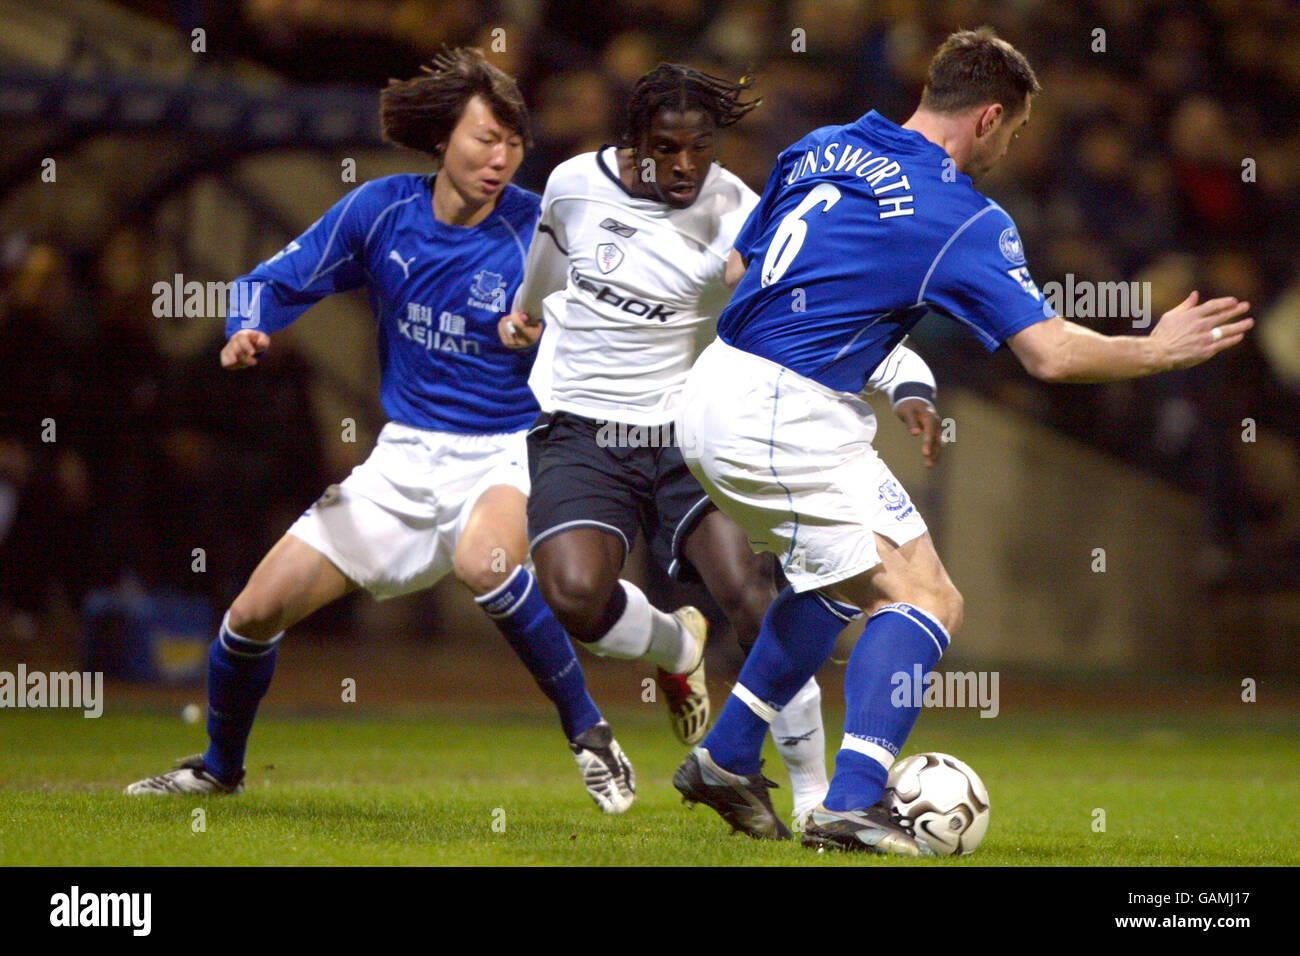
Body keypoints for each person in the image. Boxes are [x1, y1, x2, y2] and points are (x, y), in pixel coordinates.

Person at [670, 27, 1253, 852]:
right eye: (1013, 132)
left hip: (715, 387)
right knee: (925, 598)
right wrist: (1153, 348)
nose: (1010, 150)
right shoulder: (963, 214)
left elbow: (744, 272)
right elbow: (1048, 353)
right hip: (781, 411)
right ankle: (853, 800)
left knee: (836, 585)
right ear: (987, 118)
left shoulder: (822, 145)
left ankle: (726, 757)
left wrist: (885, 363)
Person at [125, 48, 635, 814]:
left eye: (514, 143)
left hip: (506, 450)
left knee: (484, 560)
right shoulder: (381, 212)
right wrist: (247, 327)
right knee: (251, 614)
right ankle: (220, 768)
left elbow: (613, 329)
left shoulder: (540, 234)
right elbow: (269, 281)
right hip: (401, 461)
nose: (501, 160)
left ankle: (591, 736)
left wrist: (550, 332)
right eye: (484, 140)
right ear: (441, 140)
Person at [499, 63, 943, 828]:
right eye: (666, 149)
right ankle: (673, 644)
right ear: (634, 139)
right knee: (572, 593)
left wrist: (905, 374)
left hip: (685, 434)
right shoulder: (574, 184)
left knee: (753, 595)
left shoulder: (741, 211)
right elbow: (546, 256)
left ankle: (807, 800)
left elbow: (809, 313)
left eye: (699, 150)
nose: (683, 166)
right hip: (581, 429)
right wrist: (525, 311)